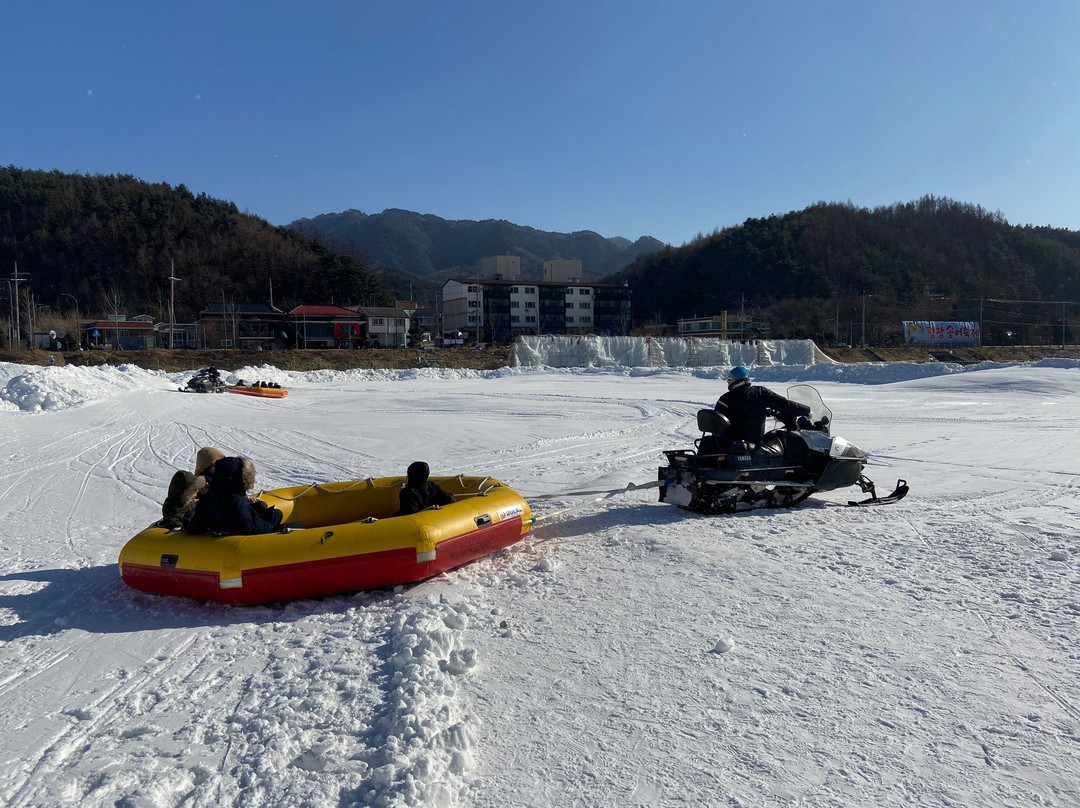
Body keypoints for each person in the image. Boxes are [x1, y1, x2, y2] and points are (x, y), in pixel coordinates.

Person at [185, 455, 284, 535]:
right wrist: (278, 529)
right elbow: (252, 526)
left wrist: (185, 524)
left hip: (225, 525)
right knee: (278, 516)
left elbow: (196, 527)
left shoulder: (207, 499)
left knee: (275, 513)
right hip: (239, 535)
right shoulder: (237, 502)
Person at [715, 365, 811, 447]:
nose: (728, 382)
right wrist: (806, 410)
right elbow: (784, 404)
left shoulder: (725, 399)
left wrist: (767, 412)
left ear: (737, 380)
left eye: (729, 379)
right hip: (755, 442)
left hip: (729, 443)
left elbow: (717, 420)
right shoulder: (760, 392)